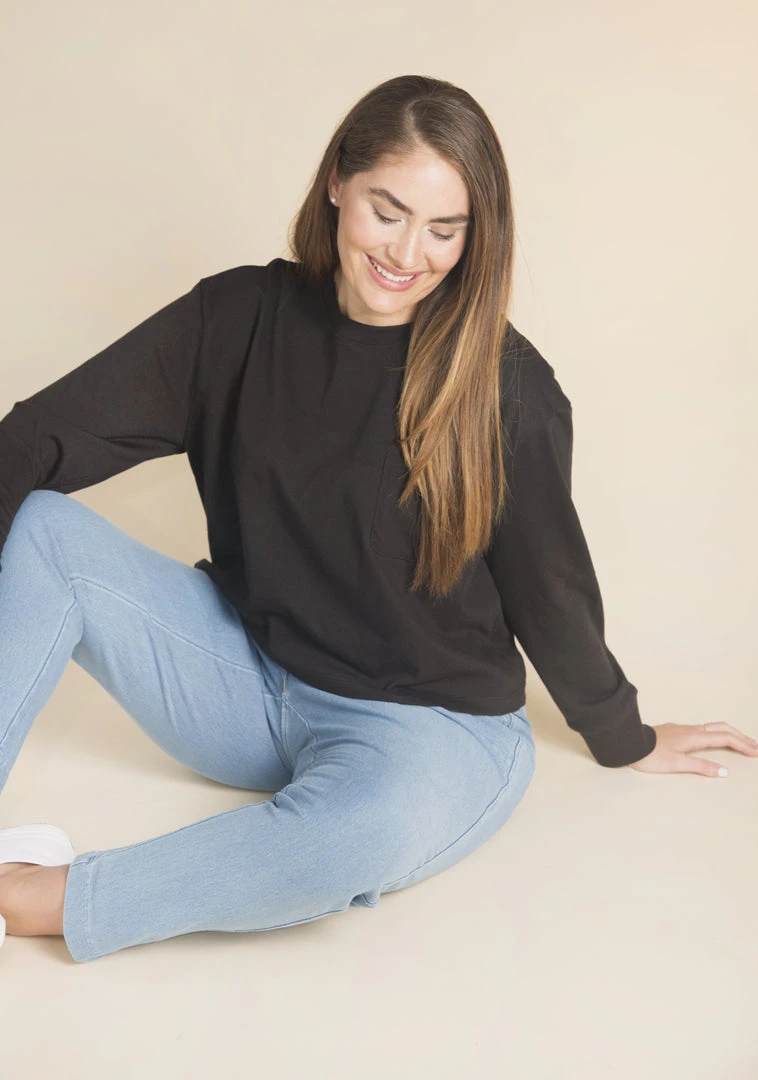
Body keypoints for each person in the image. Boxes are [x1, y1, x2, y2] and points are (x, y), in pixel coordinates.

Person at [1, 74, 756, 964]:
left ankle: (41, 898)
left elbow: (548, 587)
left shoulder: (507, 386)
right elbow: (37, 441)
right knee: (41, 529)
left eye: (444, 229)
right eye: (387, 212)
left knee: (356, 836)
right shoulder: (236, 319)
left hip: (428, 729)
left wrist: (622, 734)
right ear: (337, 183)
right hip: (249, 684)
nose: (408, 253)